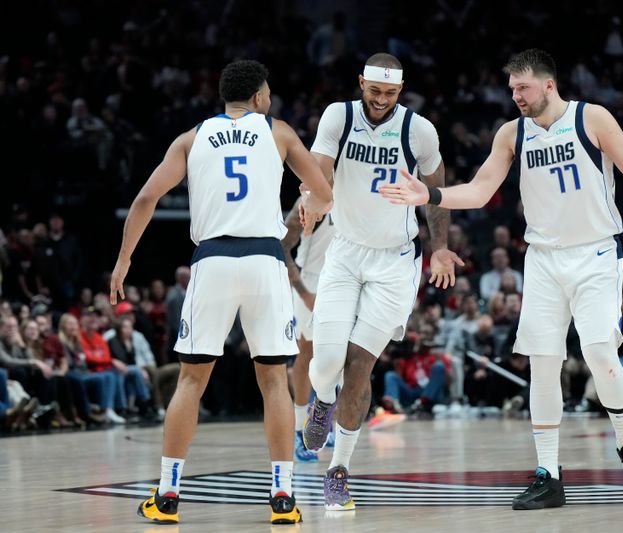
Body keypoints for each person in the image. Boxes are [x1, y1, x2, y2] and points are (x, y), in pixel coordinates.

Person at [380, 48, 623, 509]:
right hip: (544, 258)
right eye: (512, 89)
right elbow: (480, 189)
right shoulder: (513, 133)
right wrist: (427, 193)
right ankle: (549, 475)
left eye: (522, 88)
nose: (516, 96)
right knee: (543, 365)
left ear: (548, 84)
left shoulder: (593, 119)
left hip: (595, 252)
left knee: (599, 354)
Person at [109, 60, 332, 525]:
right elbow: (323, 191)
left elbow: (146, 198)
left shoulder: (190, 138)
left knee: (191, 381)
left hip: (211, 261)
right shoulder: (278, 131)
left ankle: (168, 496)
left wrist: (125, 258)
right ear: (257, 98)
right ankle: (284, 499)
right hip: (265, 261)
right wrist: (309, 208)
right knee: (273, 380)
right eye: (268, 91)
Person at [301, 52, 462, 511]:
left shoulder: (419, 129)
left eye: (390, 93)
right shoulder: (340, 116)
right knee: (326, 361)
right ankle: (322, 401)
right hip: (346, 252)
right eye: (375, 91)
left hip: (395, 262)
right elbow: (321, 165)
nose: (381, 100)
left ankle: (340, 470)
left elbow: (436, 192)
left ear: (401, 90)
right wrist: (313, 195)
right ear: (361, 83)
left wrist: (441, 246)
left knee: (359, 364)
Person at [280, 197, 337, 462]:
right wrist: (303, 293)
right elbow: (281, 247)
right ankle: (300, 430)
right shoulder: (310, 199)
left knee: (340, 355)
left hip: (341, 280)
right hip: (309, 282)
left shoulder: (356, 191)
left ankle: (328, 419)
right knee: (307, 354)